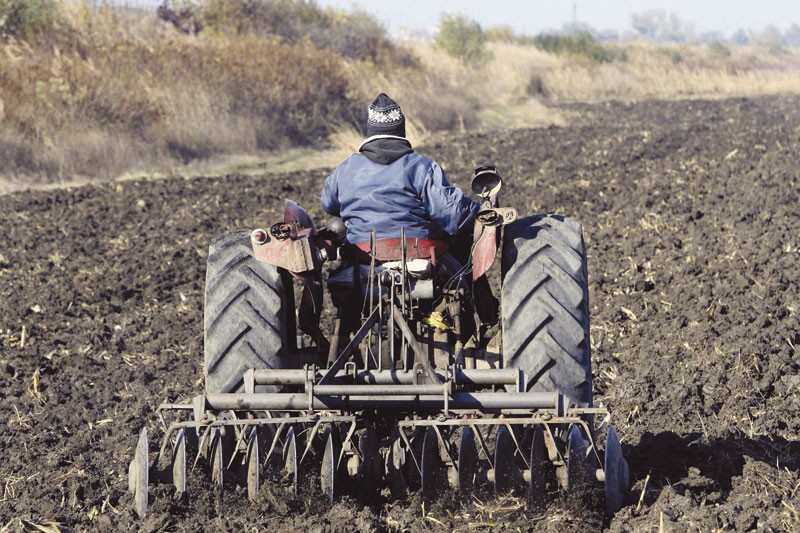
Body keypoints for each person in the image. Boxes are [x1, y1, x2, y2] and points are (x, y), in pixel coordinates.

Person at [321, 93, 478, 260]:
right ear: (401, 131)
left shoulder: (346, 169)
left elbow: (328, 204)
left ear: (371, 132)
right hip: (418, 254)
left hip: (361, 257)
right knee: (460, 260)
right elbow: (452, 213)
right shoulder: (421, 166)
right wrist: (479, 211)